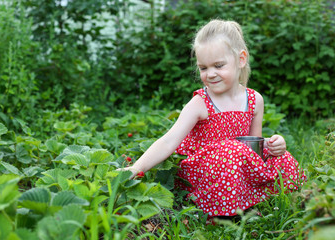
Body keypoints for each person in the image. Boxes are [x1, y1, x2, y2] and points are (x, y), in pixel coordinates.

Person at [120, 19, 306, 217]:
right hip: (205, 174)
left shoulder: (254, 100)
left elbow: (254, 149)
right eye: (203, 68)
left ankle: (265, 200)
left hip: (237, 168)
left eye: (218, 65)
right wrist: (136, 168)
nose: (210, 74)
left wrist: (273, 144)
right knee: (232, 149)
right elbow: (169, 141)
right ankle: (224, 211)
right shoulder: (201, 103)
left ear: (241, 59)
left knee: (282, 159)